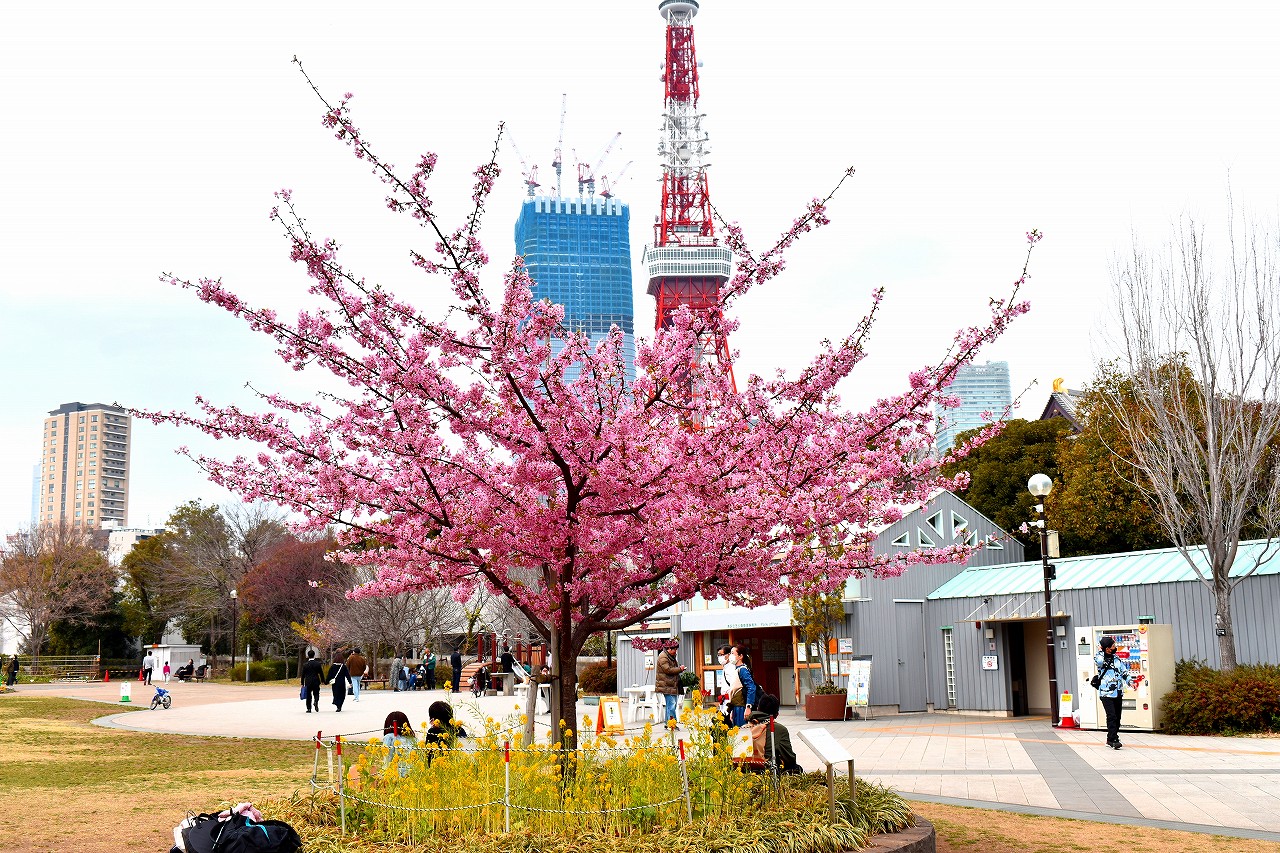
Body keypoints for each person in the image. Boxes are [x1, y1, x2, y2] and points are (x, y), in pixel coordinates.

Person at [1095, 636, 1138, 749]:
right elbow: (1099, 662)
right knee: (1112, 716)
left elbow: (1124, 672)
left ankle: (1112, 737)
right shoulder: (1099, 657)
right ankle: (1112, 739)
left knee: (1118, 716)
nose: (1115, 647)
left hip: (1118, 691)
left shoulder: (1116, 658)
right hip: (1106, 692)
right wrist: (1101, 650)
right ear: (1107, 648)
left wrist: (1130, 682)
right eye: (1113, 646)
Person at [746, 693, 802, 774]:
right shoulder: (779, 729)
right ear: (776, 714)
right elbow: (789, 758)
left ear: (758, 708)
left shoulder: (745, 727)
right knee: (796, 768)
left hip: (745, 767)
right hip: (766, 770)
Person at [654, 637, 686, 725]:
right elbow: (668, 670)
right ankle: (672, 724)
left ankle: (668, 723)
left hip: (671, 685)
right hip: (666, 685)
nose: (676, 651)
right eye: (674, 649)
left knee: (671, 705)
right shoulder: (663, 657)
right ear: (669, 649)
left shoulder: (670, 656)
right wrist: (680, 669)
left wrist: (679, 669)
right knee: (672, 705)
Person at [727, 643, 758, 727]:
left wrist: (748, 707)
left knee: (742, 730)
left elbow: (751, 687)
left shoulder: (743, 670)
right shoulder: (736, 669)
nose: (730, 656)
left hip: (741, 707)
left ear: (740, 656)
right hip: (736, 707)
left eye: (733, 653)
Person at [381, 711, 417, 776]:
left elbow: (387, 759)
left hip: (395, 775)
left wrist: (384, 775)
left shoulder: (389, 737)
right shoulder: (414, 740)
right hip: (413, 775)